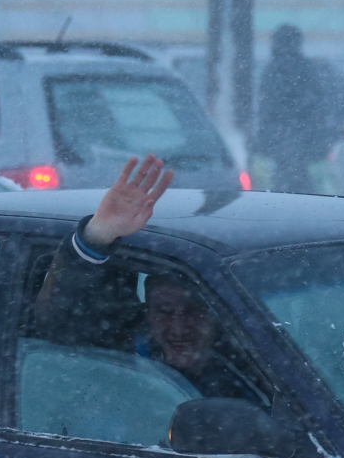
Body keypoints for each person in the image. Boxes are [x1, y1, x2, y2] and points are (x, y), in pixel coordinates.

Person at [33, 155, 256, 400]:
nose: (179, 327)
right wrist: (96, 237)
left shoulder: (251, 361)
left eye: (193, 311)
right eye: (165, 311)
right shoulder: (116, 354)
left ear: (216, 315)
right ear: (146, 312)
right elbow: (57, 322)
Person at [256, 24, 330, 193]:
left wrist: (265, 139)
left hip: (280, 139)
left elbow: (266, 109)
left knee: (281, 185)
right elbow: (318, 106)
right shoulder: (308, 68)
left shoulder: (272, 69)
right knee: (304, 184)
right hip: (304, 139)